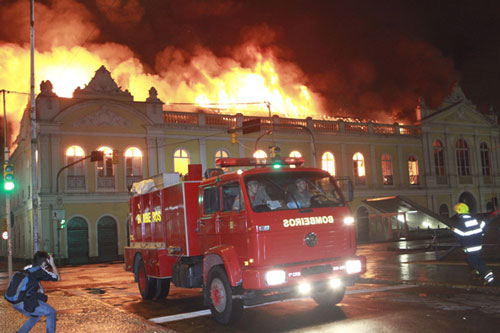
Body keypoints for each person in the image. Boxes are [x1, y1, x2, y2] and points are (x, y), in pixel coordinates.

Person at [12, 251, 60, 333]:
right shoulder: (40, 271)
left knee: (36, 315)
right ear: (45, 262)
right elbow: (57, 277)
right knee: (51, 312)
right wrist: (52, 263)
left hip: (14, 301)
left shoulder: (27, 268)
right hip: (24, 302)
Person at [452, 203, 495, 286]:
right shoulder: (475, 219)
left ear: (459, 212)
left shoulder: (461, 223)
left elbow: (459, 236)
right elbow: (483, 225)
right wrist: (481, 234)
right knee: (474, 259)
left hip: (470, 246)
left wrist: (454, 230)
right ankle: (478, 273)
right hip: (478, 244)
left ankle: (489, 277)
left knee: (475, 261)